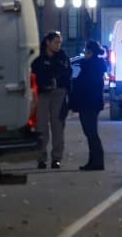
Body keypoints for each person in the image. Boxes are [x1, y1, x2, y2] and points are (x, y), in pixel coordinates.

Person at [30, 31, 71, 169]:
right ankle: (41, 157)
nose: (58, 45)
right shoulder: (39, 58)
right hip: (43, 93)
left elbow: (67, 74)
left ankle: (56, 158)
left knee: (57, 126)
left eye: (59, 43)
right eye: (55, 42)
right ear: (48, 42)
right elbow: (34, 73)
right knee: (41, 126)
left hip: (58, 93)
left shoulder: (62, 57)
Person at [70, 39, 108, 171]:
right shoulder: (95, 66)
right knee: (91, 133)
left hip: (88, 104)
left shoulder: (90, 67)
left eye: (86, 50)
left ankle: (96, 161)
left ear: (90, 52)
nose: (84, 53)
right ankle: (94, 161)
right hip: (92, 103)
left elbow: (84, 85)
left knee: (91, 133)